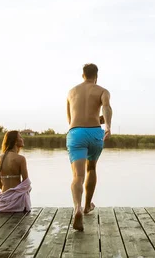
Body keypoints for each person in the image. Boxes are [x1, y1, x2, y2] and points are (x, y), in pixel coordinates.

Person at [66, 63, 112, 231]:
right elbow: (106, 107)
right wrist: (107, 125)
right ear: (96, 76)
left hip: (76, 133)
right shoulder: (102, 90)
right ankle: (86, 207)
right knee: (91, 168)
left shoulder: (71, 92)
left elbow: (71, 119)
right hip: (95, 134)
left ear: (83, 75)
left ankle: (77, 208)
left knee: (78, 176)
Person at [0, 130, 31, 212]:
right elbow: (26, 182)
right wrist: (15, 194)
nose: (22, 139)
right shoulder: (21, 159)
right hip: (17, 201)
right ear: (15, 141)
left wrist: (8, 194)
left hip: (3, 201)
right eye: (20, 137)